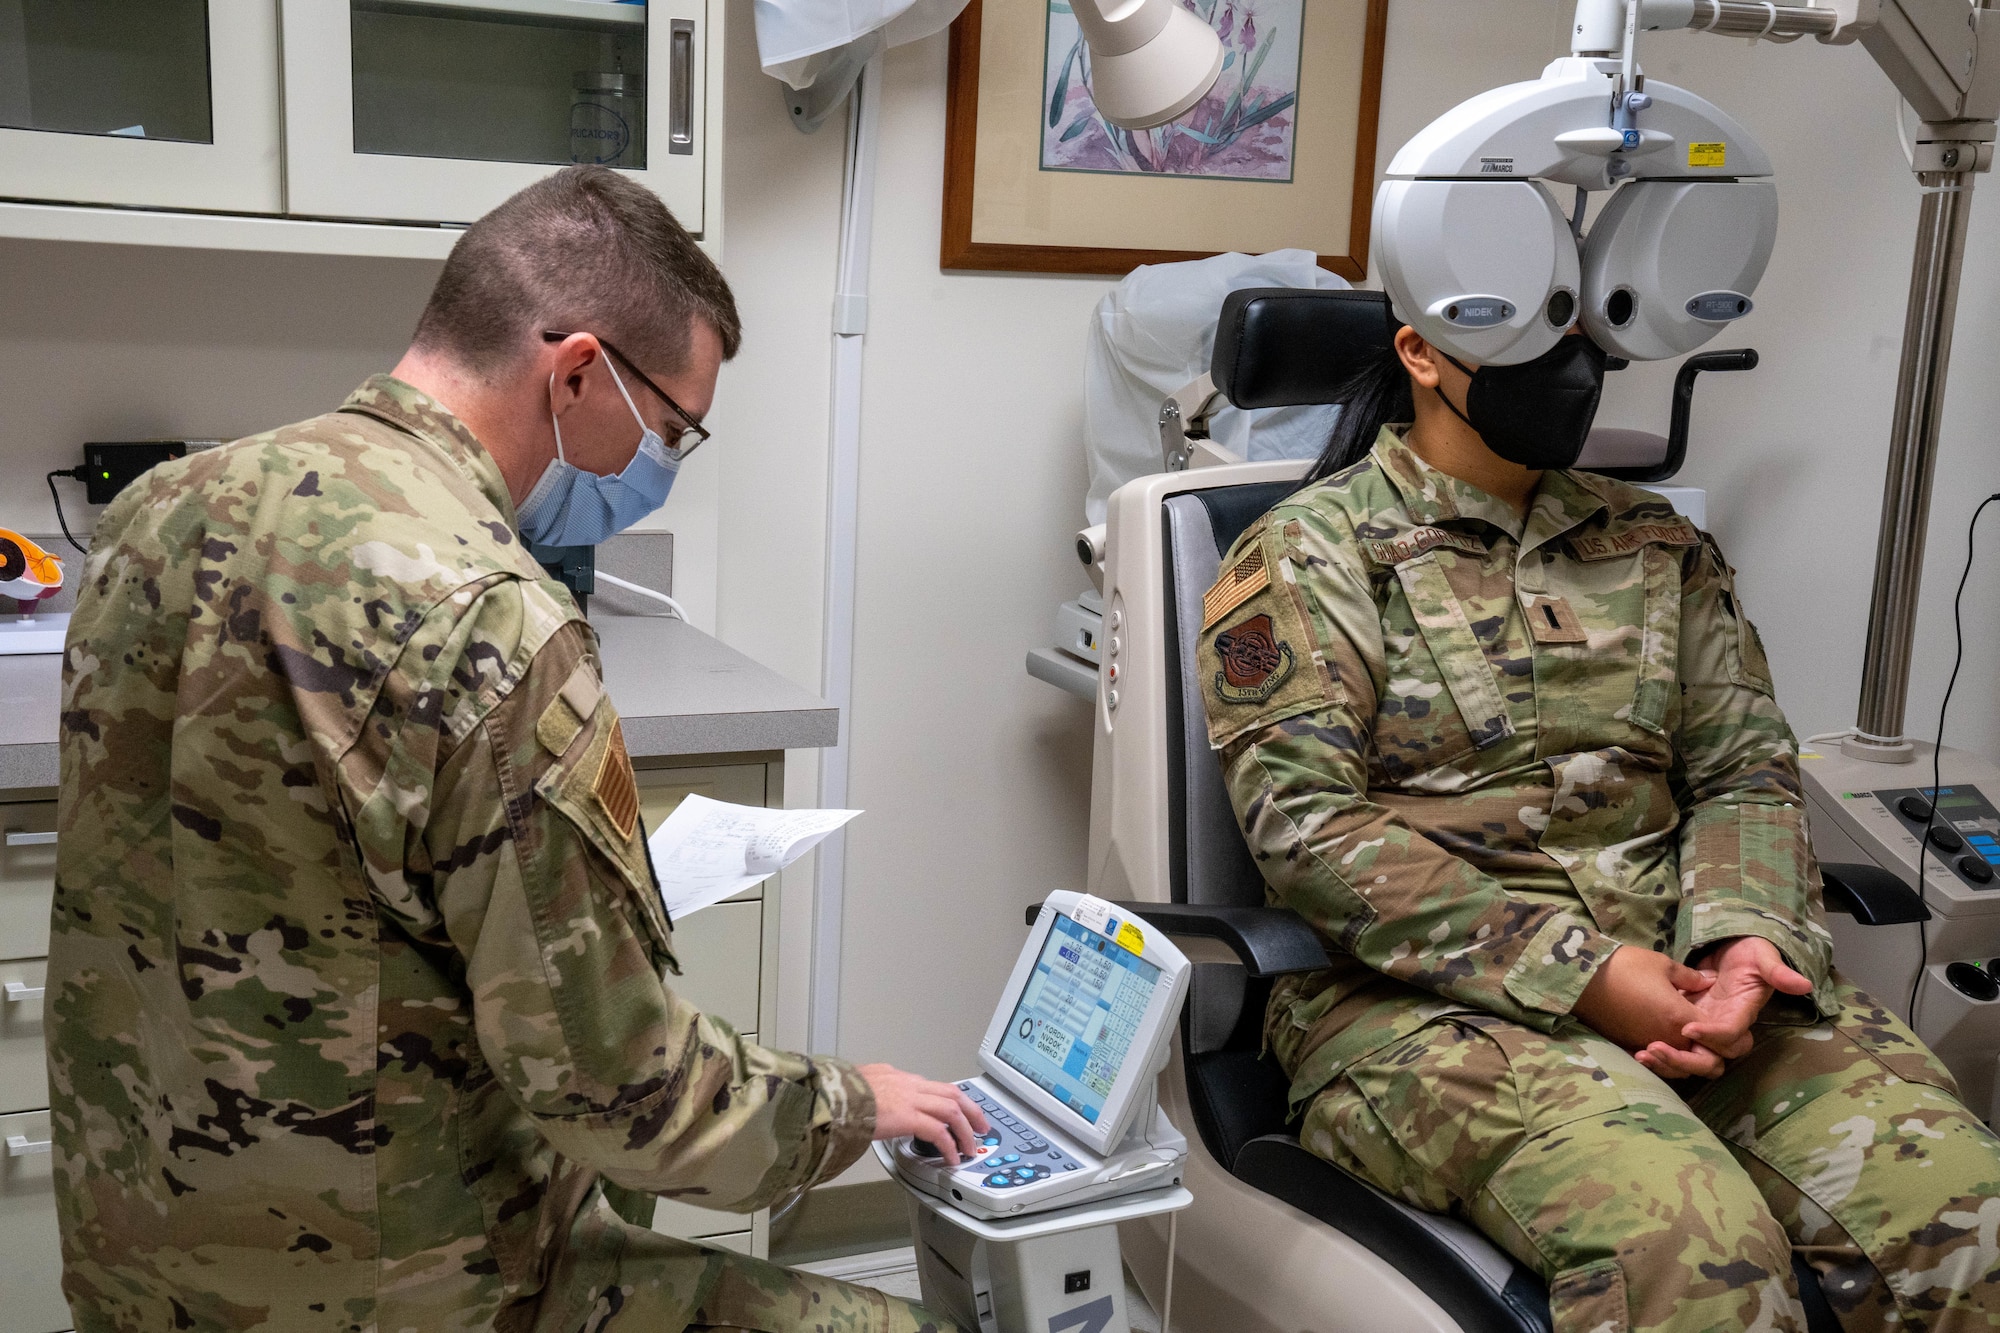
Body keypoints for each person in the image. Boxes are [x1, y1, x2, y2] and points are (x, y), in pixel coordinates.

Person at [46, 165, 984, 1333]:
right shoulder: (491, 617)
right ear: (579, 370)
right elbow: (625, 1096)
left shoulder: (155, 512)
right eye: (673, 431)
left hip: (139, 1264)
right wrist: (849, 1105)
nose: (659, 469)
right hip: (404, 1285)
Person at [1198, 312, 2000, 1332]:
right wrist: (1584, 973)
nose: (1571, 370)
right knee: (1695, 1256)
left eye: (1586, 338)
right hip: (1414, 1005)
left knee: (1961, 1208)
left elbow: (1741, 771)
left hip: (1690, 975)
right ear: (1419, 351)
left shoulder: (1654, 542)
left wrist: (1745, 940)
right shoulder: (1312, 550)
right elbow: (1305, 829)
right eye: (1534, 337)